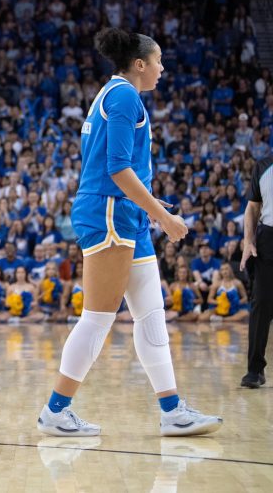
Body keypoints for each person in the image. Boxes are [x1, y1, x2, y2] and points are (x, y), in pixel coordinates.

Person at [38, 28, 220, 438]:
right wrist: (162, 216)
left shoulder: (114, 94)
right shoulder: (123, 96)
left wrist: (148, 210)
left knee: (151, 314)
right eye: (158, 60)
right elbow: (117, 168)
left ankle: (172, 410)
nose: (162, 68)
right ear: (139, 64)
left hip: (125, 215)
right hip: (108, 212)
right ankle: (55, 410)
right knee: (98, 319)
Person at [241, 152, 273, 388]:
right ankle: (254, 370)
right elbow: (252, 208)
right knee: (261, 303)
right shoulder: (263, 165)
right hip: (267, 239)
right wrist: (248, 242)